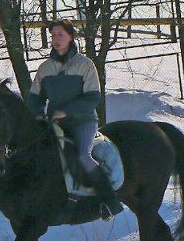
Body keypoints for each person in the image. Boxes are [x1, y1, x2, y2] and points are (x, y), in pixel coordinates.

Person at [27, 19, 123, 220]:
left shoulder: (85, 65)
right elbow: (35, 97)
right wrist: (36, 114)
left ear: (71, 37)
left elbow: (93, 97)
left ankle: (109, 201)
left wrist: (66, 112)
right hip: (54, 124)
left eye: (60, 35)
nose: (56, 39)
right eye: (53, 35)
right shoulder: (45, 68)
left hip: (83, 121)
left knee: (82, 156)